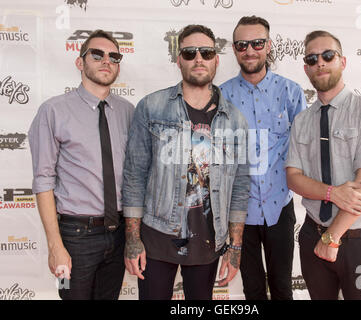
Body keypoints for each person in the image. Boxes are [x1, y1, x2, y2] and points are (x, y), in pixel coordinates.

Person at [122, 24, 250, 300]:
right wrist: (132, 240)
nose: (198, 59)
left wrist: (235, 247)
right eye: (190, 53)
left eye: (206, 52)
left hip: (208, 240)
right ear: (179, 60)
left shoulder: (235, 119)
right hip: (156, 236)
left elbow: (240, 187)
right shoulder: (151, 107)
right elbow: (134, 175)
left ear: (216, 59)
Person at [28, 30, 134, 300]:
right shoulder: (53, 111)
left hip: (118, 232)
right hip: (74, 237)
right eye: (96, 54)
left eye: (114, 56)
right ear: (80, 62)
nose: (106, 61)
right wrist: (55, 246)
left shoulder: (128, 112)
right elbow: (43, 180)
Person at [285, 30, 361, 300]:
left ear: (342, 62)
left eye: (328, 55)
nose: (320, 62)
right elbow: (293, 178)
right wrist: (331, 193)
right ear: (306, 68)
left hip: (359, 240)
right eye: (312, 58)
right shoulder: (302, 121)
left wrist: (332, 237)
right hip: (311, 234)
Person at [220, 15, 306, 300]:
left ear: (268, 45)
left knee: (283, 286)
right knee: (252, 288)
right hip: (239, 210)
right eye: (242, 44)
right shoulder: (221, 96)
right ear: (234, 49)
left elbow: (305, 150)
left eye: (257, 43)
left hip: (279, 206)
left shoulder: (292, 93)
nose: (250, 50)